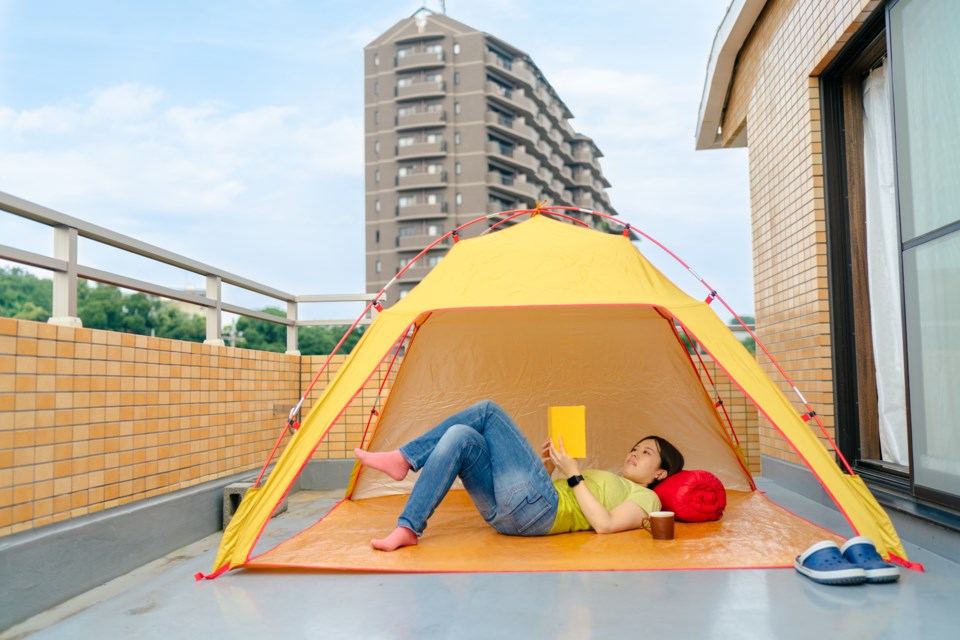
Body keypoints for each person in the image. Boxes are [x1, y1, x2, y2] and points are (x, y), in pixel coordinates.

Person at [353, 399, 684, 551]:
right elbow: (538, 497)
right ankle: (408, 527)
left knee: (487, 412)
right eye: (636, 448)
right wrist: (551, 467)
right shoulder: (613, 479)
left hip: (541, 512)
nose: (634, 454)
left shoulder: (648, 497)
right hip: (505, 515)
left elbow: (605, 525)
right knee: (459, 436)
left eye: (646, 453)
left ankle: (403, 458)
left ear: (660, 473)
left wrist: (573, 474)